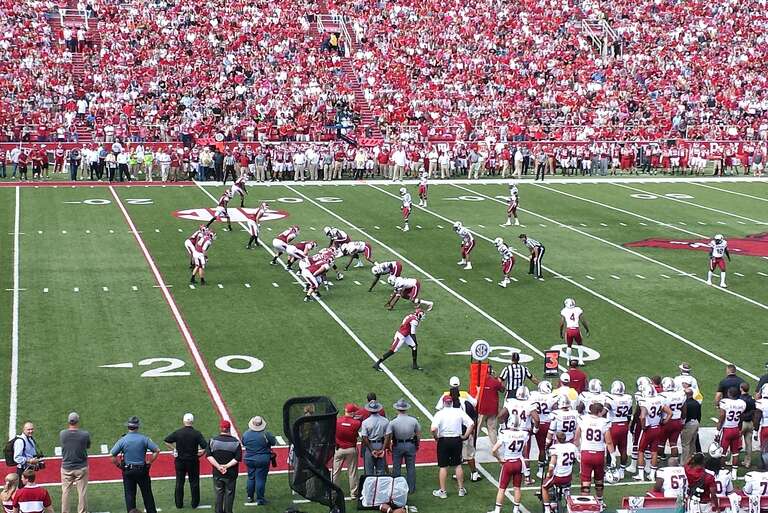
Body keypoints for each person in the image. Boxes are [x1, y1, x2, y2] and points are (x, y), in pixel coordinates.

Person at [110, 416, 160, 513]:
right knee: (147, 495)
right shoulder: (144, 439)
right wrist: (149, 462)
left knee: (129, 495)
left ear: (128, 427)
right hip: (142, 470)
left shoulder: (123, 440)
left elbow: (112, 455)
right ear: (137, 427)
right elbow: (157, 450)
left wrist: (120, 466)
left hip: (128, 471)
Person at [431, 396, 475, 499]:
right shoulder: (458, 411)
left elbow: (433, 429)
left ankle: (443, 491)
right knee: (458, 465)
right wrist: (465, 436)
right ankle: (461, 490)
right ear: (451, 403)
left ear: (443, 403)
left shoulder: (439, 414)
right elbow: (471, 424)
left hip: (444, 440)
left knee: (443, 466)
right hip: (456, 440)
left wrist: (436, 437)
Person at [164, 413, 207, 509]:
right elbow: (205, 446)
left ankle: (179, 504)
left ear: (183, 421)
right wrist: (201, 453)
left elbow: (167, 440)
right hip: (193, 461)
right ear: (192, 421)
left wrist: (174, 449)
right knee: (194, 482)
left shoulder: (178, 432)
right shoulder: (196, 433)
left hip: (180, 461)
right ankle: (195, 503)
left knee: (179, 482)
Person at [575, 403, 614, 505]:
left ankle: (586, 504)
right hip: (599, 454)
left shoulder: (583, 419)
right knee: (599, 480)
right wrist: (613, 456)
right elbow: (609, 442)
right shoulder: (604, 422)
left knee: (585, 481)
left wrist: (577, 451)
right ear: (599, 412)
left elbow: (576, 438)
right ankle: (600, 502)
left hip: (586, 453)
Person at [488, 413, 528, 513]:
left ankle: (497, 510)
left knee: (502, 488)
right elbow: (525, 450)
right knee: (517, 488)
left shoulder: (505, 434)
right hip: (519, 463)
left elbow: (494, 450)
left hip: (508, 463)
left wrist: (499, 459)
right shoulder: (524, 434)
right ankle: (516, 509)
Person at [386, 399, 421, 493]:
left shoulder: (393, 422)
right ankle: (411, 488)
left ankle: (397, 489)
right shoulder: (413, 420)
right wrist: (417, 444)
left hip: (397, 445)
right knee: (411, 467)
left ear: (397, 409)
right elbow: (418, 434)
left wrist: (388, 446)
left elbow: (389, 435)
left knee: (396, 468)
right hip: (410, 445)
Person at [206, 420, 241, 513]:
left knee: (218, 494)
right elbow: (237, 458)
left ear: (220, 428)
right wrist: (226, 466)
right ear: (229, 429)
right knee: (229, 494)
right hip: (231, 474)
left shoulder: (213, 441)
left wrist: (219, 467)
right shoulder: (235, 442)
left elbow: (209, 456)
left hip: (217, 473)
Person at [60, 412, 90, 513]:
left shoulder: (63, 434)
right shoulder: (84, 434)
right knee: (82, 492)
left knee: (65, 491)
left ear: (69, 421)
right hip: (81, 467)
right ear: (77, 421)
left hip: (66, 468)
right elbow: (87, 446)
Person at [242, 416, 276, 505]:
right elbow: (273, 442)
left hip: (249, 459)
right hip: (262, 459)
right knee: (260, 479)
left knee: (251, 477)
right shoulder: (266, 434)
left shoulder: (246, 434)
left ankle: (250, 497)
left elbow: (243, 443)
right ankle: (260, 499)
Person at [541, 432, 577, 513]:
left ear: (557, 439)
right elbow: (574, 460)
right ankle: (566, 495)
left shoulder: (555, 448)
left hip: (558, 476)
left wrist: (549, 474)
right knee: (565, 484)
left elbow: (551, 467)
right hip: (568, 477)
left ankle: (547, 509)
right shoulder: (572, 446)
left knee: (544, 487)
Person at [332, 404, 362, 499]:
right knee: (352, 472)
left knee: (335, 472)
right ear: (352, 413)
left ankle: (333, 492)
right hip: (351, 449)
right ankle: (353, 493)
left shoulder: (337, 421)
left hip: (339, 449)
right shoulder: (356, 423)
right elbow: (356, 431)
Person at [717, 387, 747, 477]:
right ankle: (734, 473)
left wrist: (717, 431)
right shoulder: (742, 403)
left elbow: (722, 416)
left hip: (727, 429)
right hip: (736, 428)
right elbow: (741, 417)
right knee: (735, 452)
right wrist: (740, 429)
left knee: (723, 452)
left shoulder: (725, 402)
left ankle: (722, 470)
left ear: (729, 393)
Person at [476, 365, 504, 445]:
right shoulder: (494, 381)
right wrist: (497, 379)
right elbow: (502, 389)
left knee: (477, 429)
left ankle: (472, 447)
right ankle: (495, 448)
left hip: (482, 409)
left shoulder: (480, 381)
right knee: (492, 429)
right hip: (492, 409)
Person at [360, 401, 389, 476]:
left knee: (369, 472)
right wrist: (383, 449)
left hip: (370, 446)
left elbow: (364, 437)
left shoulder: (365, 422)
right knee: (381, 471)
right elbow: (387, 436)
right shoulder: (385, 421)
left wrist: (372, 450)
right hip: (380, 445)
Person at [560, 298, 590, 365]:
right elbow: (582, 321)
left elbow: (562, 323)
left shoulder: (564, 311)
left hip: (569, 330)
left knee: (569, 346)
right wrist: (587, 329)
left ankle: (568, 361)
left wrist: (561, 332)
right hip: (576, 330)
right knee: (580, 344)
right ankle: (581, 360)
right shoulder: (578, 309)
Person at [681, 388, 702, 464]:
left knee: (685, 444)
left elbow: (684, 415)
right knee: (692, 444)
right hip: (696, 423)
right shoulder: (697, 403)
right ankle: (692, 461)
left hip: (688, 424)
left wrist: (683, 425)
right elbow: (699, 415)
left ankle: (684, 463)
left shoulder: (685, 404)